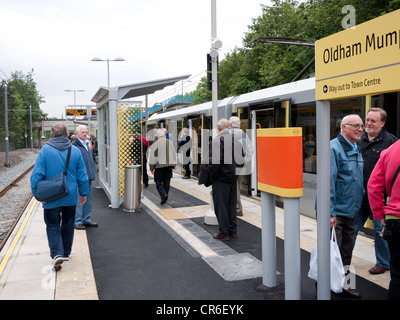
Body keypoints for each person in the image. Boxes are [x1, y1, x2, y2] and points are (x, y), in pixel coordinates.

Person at [30, 123, 88, 271]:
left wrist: (36, 193)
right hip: (69, 196)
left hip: (51, 197)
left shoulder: (45, 151)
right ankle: (66, 252)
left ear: (51, 135)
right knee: (68, 223)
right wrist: (83, 193)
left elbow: (36, 174)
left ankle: (57, 254)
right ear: (67, 133)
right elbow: (83, 175)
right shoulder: (75, 151)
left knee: (53, 225)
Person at [355, 108, 397, 274]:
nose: (368, 123)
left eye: (373, 121)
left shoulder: (391, 141)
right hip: (359, 196)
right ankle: (342, 260)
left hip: (379, 197)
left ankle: (383, 262)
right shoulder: (359, 139)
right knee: (350, 230)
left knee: (381, 232)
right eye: (367, 120)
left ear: (382, 123)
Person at [330, 114, 364, 298]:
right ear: (344, 127)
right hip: (336, 212)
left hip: (351, 211)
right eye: (356, 126)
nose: (360, 129)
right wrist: (330, 212)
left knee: (347, 252)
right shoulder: (333, 148)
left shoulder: (355, 148)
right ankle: (323, 286)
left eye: (361, 126)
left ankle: (346, 285)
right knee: (331, 253)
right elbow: (329, 182)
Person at [368, 139, 400, 300]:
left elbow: (373, 186)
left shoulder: (390, 151)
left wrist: (379, 215)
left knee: (397, 276)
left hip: (395, 220)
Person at [205, 118, 244, 241]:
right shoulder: (236, 140)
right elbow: (242, 159)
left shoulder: (217, 141)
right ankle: (233, 231)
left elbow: (214, 163)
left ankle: (223, 233)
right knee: (231, 206)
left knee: (220, 206)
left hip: (221, 180)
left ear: (218, 128)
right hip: (233, 179)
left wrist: (212, 177)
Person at [72, 125, 98, 230]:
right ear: (77, 133)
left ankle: (86, 219)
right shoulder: (74, 146)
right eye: (82, 132)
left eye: (86, 132)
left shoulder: (86, 144)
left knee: (88, 199)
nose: (85, 133)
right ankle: (77, 221)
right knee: (80, 199)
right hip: (80, 178)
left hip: (88, 176)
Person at [229, 116, 253, 216]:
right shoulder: (244, 135)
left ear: (230, 125)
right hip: (241, 166)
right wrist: (244, 162)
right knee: (237, 186)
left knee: (233, 187)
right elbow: (250, 150)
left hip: (230, 166)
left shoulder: (227, 134)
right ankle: (236, 207)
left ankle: (237, 209)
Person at [148, 128, 176, 204]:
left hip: (159, 166)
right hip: (169, 166)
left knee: (158, 182)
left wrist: (151, 168)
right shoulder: (169, 142)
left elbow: (153, 157)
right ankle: (165, 195)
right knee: (167, 182)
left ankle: (163, 195)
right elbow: (173, 153)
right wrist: (174, 164)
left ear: (158, 135)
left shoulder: (155, 143)